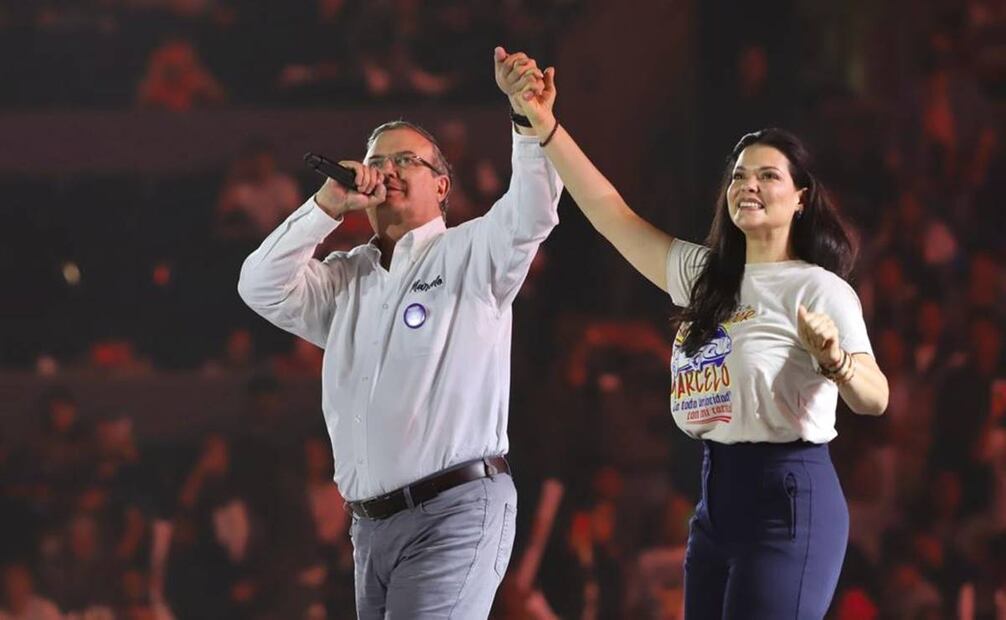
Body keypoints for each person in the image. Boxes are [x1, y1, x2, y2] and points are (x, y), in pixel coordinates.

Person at [510, 59, 890, 617]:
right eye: (739, 175)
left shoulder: (819, 288)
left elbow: (875, 397)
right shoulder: (704, 274)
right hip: (715, 501)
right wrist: (543, 125)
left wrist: (836, 359)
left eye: (767, 175)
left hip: (787, 498)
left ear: (802, 197)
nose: (748, 185)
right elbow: (607, 210)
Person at [237, 47, 560, 618]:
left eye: (405, 160)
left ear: (441, 186)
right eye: (376, 160)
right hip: (370, 529)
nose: (386, 171)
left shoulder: (471, 253)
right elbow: (259, 286)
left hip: (455, 508)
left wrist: (526, 114)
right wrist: (326, 206)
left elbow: (534, 209)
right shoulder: (344, 279)